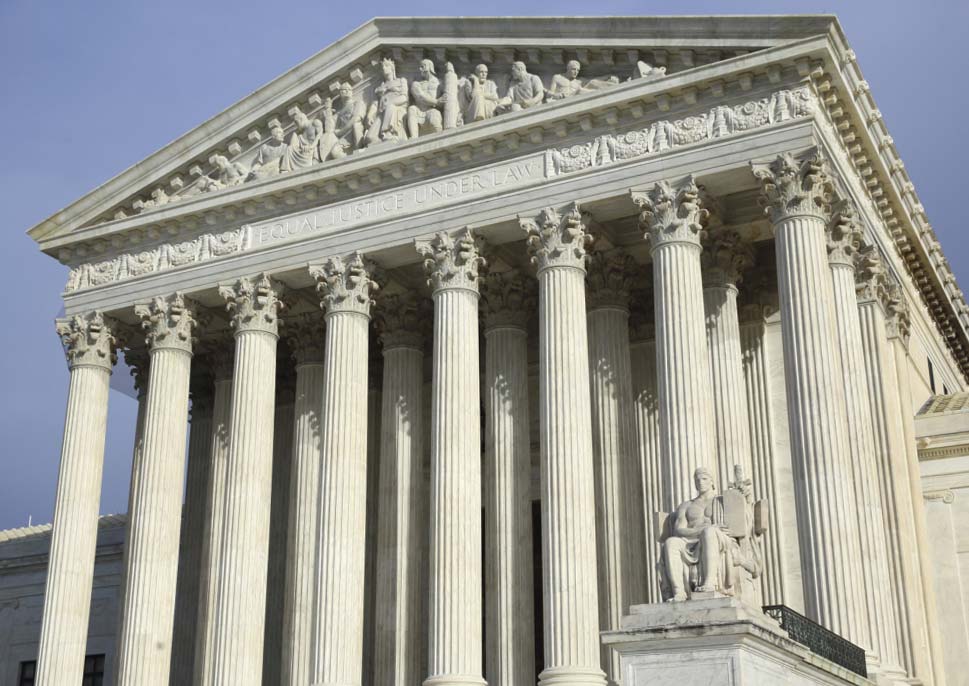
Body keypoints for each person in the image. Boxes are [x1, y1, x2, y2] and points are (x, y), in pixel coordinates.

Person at [659, 466, 763, 602]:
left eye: (704, 479)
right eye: (697, 480)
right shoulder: (686, 505)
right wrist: (700, 530)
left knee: (709, 532)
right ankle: (679, 592)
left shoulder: (723, 500)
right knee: (671, 543)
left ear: (712, 481)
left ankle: (709, 583)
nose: (700, 482)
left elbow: (745, 518)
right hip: (691, 540)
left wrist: (746, 497)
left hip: (720, 539)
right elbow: (679, 530)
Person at [365, 58, 409, 145]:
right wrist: (370, 114)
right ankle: (381, 146)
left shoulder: (401, 81)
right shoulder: (380, 87)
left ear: (392, 68)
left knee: (390, 106)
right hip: (382, 113)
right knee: (369, 138)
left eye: (386, 66)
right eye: (382, 67)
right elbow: (375, 103)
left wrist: (391, 102)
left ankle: (388, 133)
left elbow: (404, 97)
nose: (383, 68)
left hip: (396, 109)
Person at [407, 59, 444, 138]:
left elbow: (447, 96)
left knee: (434, 116)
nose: (420, 69)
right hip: (419, 111)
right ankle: (414, 138)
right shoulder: (416, 84)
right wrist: (437, 102)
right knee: (411, 109)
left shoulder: (440, 83)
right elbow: (420, 96)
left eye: (423, 66)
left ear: (430, 67)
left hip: (432, 110)